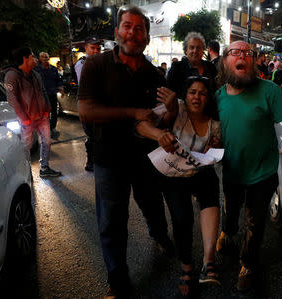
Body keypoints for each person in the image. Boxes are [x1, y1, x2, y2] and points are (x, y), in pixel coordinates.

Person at [77, 5, 173, 298]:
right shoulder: (96, 66)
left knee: (153, 205)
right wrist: (134, 113)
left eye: (139, 28)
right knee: (111, 221)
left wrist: (173, 108)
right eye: (127, 26)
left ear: (146, 37)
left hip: (145, 156)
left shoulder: (154, 73)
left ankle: (160, 237)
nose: (133, 32)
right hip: (109, 157)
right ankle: (117, 279)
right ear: (117, 31)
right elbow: (86, 111)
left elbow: (161, 116)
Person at [215, 41, 282, 292]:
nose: (243, 56)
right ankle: (227, 232)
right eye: (236, 52)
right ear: (225, 61)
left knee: (255, 223)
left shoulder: (269, 90)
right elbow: (211, 130)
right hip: (231, 170)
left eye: (249, 53)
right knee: (230, 209)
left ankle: (248, 265)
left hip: (262, 173)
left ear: (254, 61)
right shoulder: (219, 95)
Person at [137, 76, 222, 297]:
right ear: (186, 94)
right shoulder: (176, 108)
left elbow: (218, 150)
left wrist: (216, 146)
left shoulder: (215, 122)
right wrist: (159, 134)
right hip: (173, 174)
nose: (197, 97)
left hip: (200, 172)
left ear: (208, 97)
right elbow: (141, 124)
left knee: (211, 191)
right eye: (193, 92)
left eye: (202, 93)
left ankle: (208, 261)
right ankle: (186, 267)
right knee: (182, 218)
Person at [4, 47, 62, 178]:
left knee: (46, 142)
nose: (35, 58)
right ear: (25, 58)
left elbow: (43, 92)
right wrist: (24, 118)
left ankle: (45, 168)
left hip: (42, 116)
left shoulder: (35, 74)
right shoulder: (12, 75)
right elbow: (13, 100)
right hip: (27, 120)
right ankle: (25, 173)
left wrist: (47, 109)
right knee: (26, 147)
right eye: (32, 56)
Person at [74, 36, 102, 172]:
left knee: (99, 135)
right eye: (93, 48)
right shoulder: (82, 64)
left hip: (100, 105)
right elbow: (86, 86)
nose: (96, 51)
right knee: (92, 136)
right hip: (89, 105)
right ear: (86, 48)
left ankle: (98, 159)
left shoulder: (101, 62)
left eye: (98, 48)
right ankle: (90, 161)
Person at [167, 32, 217, 100]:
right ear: (186, 51)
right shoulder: (177, 68)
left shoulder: (211, 67)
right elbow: (170, 93)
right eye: (191, 47)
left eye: (199, 48)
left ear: (203, 51)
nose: (195, 51)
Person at [35, 52, 63, 139]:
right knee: (44, 113)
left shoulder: (54, 69)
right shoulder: (36, 69)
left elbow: (58, 80)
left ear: (48, 58)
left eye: (46, 57)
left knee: (54, 111)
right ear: (40, 59)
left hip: (52, 93)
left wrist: (61, 88)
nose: (45, 59)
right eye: (43, 57)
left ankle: (52, 128)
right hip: (42, 95)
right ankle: (45, 129)